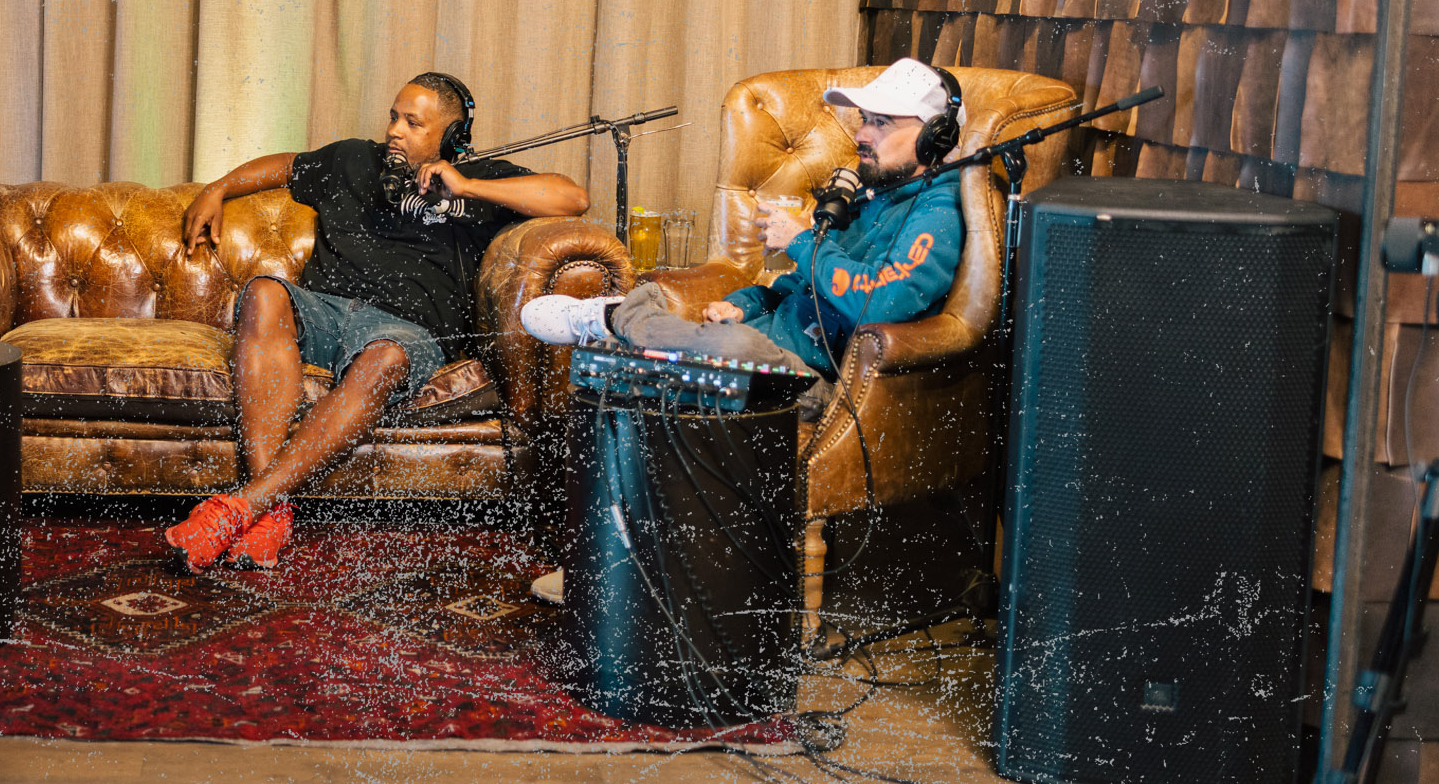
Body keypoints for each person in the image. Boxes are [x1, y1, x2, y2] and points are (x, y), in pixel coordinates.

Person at [520, 57, 968, 602]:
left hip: (814, 378)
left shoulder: (938, 211)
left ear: (935, 136)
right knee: (651, 385)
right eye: (864, 119)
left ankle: (614, 318)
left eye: (881, 122)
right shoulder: (869, 200)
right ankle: (602, 567)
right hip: (765, 342)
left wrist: (803, 241)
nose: (862, 135)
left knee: (725, 350)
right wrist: (741, 300)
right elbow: (797, 288)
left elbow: (882, 301)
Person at [170, 73, 590, 571]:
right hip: (323, 311)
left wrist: (468, 186)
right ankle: (265, 510)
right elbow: (284, 166)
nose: (396, 130)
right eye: (395, 116)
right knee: (263, 291)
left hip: (402, 329)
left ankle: (241, 508)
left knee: (386, 356)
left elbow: (573, 198)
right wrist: (217, 188)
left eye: (413, 123)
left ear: (452, 137)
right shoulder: (352, 159)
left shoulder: (482, 181)